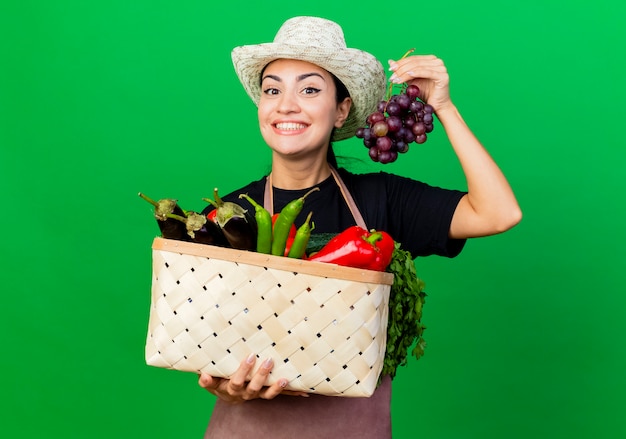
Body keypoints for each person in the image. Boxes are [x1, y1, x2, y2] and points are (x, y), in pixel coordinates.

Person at [198, 16, 522, 438]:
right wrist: (226, 385)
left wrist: (444, 106)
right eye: (272, 89)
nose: (286, 105)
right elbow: (204, 336)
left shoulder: (381, 201)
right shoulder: (228, 214)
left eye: (310, 89)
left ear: (342, 109)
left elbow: (499, 213)